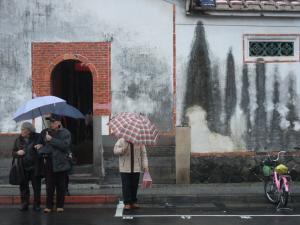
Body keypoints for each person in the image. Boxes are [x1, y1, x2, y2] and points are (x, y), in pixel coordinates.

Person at [35, 114, 72, 213]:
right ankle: (49, 206)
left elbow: (65, 146)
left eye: (54, 122)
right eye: (50, 122)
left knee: (61, 186)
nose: (51, 124)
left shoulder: (65, 133)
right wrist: (40, 148)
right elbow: (40, 146)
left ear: (59, 122)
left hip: (62, 162)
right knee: (49, 186)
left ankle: (60, 205)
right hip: (49, 162)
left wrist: (51, 139)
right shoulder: (45, 132)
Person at [12, 122, 42, 212]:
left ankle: (36, 205)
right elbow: (13, 152)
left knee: (36, 187)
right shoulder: (18, 140)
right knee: (23, 187)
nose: (21, 131)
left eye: (23, 129)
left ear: (29, 130)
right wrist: (17, 153)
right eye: (21, 129)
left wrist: (41, 145)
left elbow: (45, 146)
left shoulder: (38, 137)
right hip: (23, 167)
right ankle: (24, 204)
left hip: (35, 167)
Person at [113, 138, 149, 210]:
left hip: (136, 167)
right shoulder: (121, 140)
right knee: (126, 185)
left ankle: (133, 201)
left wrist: (145, 166)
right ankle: (127, 202)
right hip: (124, 168)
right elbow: (115, 151)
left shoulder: (140, 142)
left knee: (134, 185)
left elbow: (144, 154)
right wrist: (122, 150)